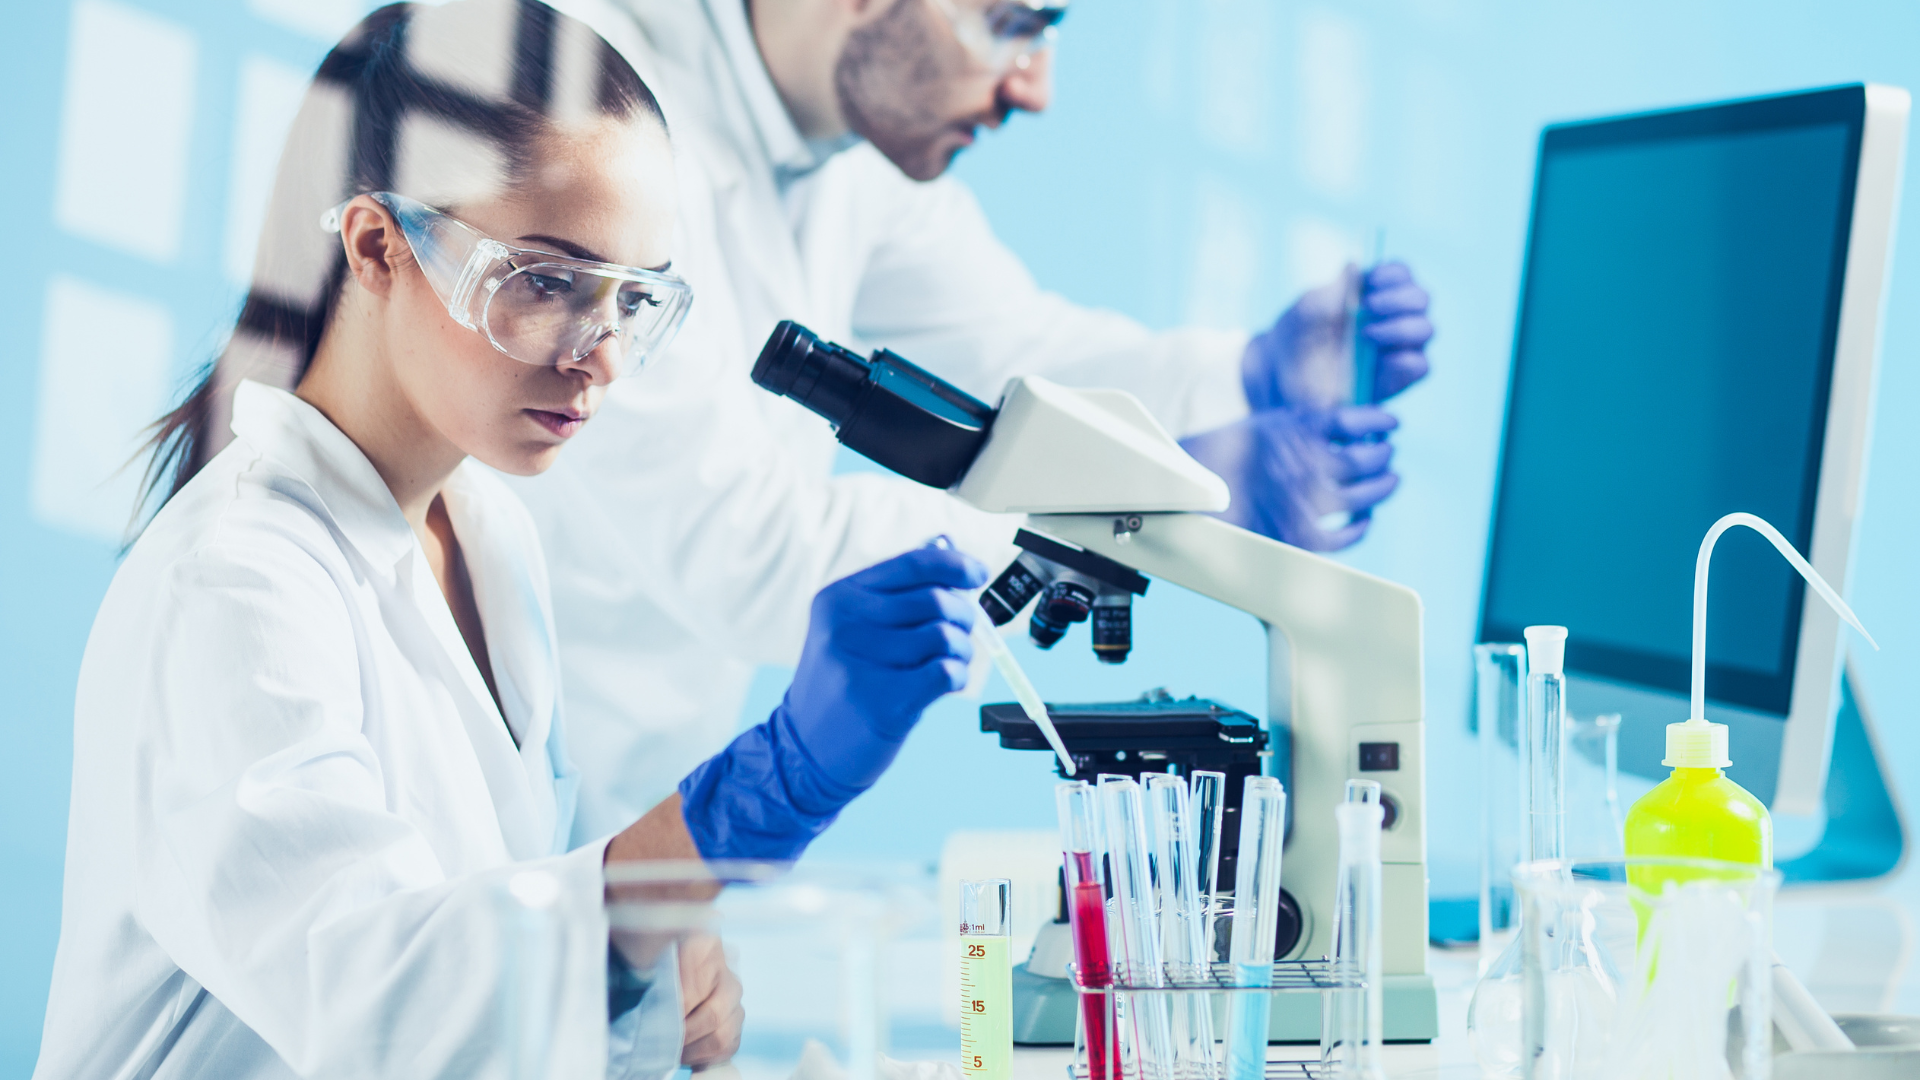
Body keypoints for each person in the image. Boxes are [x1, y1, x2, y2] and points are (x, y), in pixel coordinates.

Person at [33, 3, 982, 1076]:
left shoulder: (486, 539)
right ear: (376, 247)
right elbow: (388, 1009)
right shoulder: (234, 586)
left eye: (633, 301)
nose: (602, 358)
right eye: (544, 282)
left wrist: (647, 963)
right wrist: (743, 807)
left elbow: (494, 977)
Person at [464, 0, 1438, 841]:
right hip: (506, 825)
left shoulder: (837, 152)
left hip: (631, 816)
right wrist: (1145, 510)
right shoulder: (591, 121)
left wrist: (1251, 371)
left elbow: (1021, 353)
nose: (1036, 88)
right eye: (1010, 23)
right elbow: (747, 551)